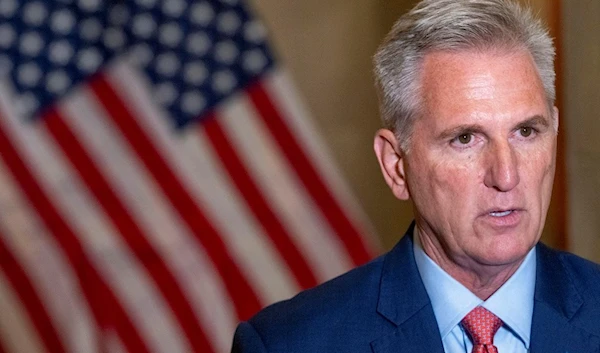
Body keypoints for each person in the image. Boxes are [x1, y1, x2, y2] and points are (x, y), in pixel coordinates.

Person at [231, 0, 600, 352]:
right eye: (465, 139)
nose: (505, 175)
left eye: (526, 132)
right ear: (396, 165)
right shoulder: (290, 344)